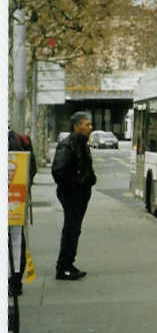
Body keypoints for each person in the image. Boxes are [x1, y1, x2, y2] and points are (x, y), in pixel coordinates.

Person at [51, 112, 96, 280]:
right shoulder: (67, 144)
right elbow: (58, 171)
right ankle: (63, 267)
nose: (90, 128)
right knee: (71, 229)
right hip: (72, 194)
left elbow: (84, 167)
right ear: (77, 126)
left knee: (74, 229)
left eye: (90, 125)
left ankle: (68, 263)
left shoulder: (82, 143)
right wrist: (75, 186)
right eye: (87, 125)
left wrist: (90, 179)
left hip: (81, 193)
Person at [8, 127, 36, 296]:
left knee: (14, 239)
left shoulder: (15, 140)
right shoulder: (21, 140)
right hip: (16, 199)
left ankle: (13, 280)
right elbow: (30, 169)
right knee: (16, 239)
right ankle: (15, 281)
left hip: (13, 200)